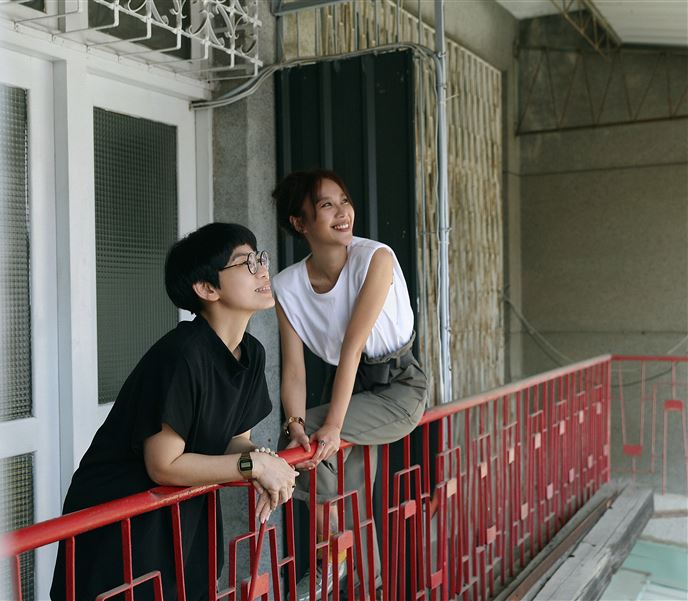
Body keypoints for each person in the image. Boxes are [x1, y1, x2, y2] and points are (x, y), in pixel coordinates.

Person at [50, 223, 298, 601]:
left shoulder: (251, 353)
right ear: (207, 288)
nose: (262, 269)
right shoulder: (182, 355)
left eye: (260, 258)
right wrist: (254, 466)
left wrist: (265, 462)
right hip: (122, 516)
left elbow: (234, 441)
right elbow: (163, 465)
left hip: (180, 511)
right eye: (246, 263)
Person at [271, 169, 428, 598]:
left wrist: (331, 426)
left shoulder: (375, 258)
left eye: (344, 200)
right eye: (327, 205)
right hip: (351, 390)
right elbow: (294, 370)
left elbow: (353, 346)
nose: (343, 212)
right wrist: (294, 422)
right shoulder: (287, 286)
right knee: (345, 487)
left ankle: (334, 555)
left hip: (399, 387)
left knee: (310, 446)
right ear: (299, 222)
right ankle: (362, 578)